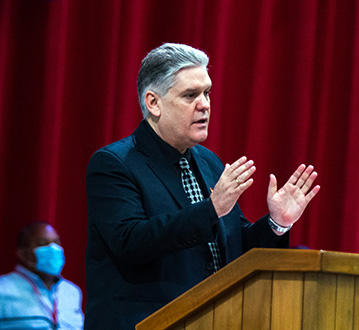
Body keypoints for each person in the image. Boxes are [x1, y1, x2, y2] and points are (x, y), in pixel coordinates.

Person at [84, 43, 320, 329]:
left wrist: (276, 224)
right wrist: (211, 210)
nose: (205, 104)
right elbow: (131, 242)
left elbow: (234, 250)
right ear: (153, 103)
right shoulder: (114, 164)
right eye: (190, 95)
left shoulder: (209, 162)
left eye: (207, 93)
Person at [0, 222, 84, 330]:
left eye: (57, 243)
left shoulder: (71, 291)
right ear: (23, 254)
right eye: (43, 243)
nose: (53, 248)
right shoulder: (3, 290)